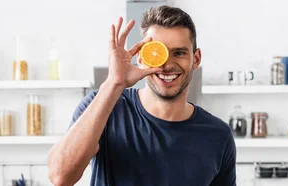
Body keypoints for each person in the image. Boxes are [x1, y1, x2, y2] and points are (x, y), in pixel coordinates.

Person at [48, 5, 236, 186]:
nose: (167, 64)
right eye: (157, 53)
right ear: (142, 58)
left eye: (179, 53)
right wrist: (114, 83)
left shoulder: (218, 135)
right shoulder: (104, 106)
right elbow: (60, 176)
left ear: (195, 59)